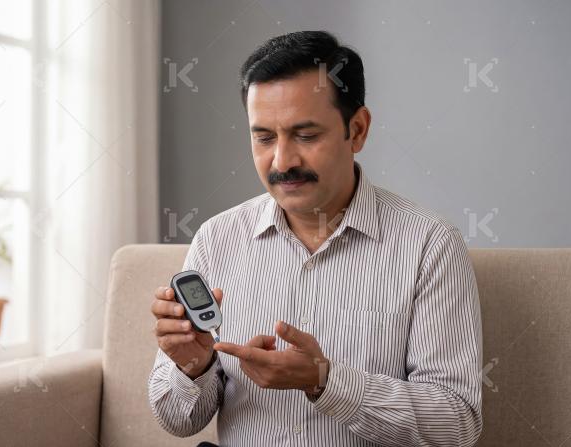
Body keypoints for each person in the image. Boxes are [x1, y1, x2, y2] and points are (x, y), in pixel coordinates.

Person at [148, 30, 482, 446]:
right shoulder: (217, 239)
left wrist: (325, 382)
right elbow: (178, 421)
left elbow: (456, 425)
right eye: (264, 137)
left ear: (357, 130)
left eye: (306, 136)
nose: (283, 161)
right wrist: (192, 366)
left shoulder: (430, 245)